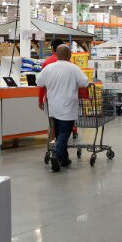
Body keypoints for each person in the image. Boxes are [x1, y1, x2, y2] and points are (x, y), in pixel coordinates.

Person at [37, 44, 89, 172]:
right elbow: (85, 82)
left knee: (59, 133)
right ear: (69, 55)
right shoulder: (74, 69)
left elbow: (39, 82)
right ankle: (57, 155)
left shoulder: (49, 68)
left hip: (53, 107)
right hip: (68, 107)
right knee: (65, 133)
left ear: (57, 55)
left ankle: (64, 159)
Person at [38, 38, 64, 111]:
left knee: (53, 121)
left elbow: (42, 84)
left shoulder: (47, 62)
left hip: (50, 99)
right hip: (66, 100)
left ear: (52, 48)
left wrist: (40, 100)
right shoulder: (69, 63)